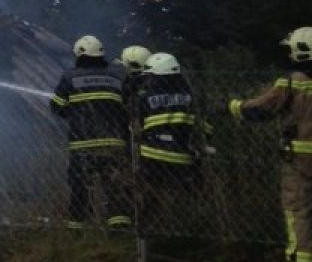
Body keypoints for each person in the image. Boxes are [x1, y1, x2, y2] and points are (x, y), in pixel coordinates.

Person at [228, 27, 312, 262]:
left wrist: (233, 106)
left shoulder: (292, 81)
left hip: (299, 161)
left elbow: (262, 109)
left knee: (298, 212)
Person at [51, 35, 131, 230]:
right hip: (113, 143)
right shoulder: (116, 77)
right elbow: (126, 107)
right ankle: (119, 227)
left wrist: (73, 111)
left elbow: (56, 106)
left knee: (79, 186)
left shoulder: (70, 77)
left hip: (82, 144)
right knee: (115, 187)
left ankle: (78, 227)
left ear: (79, 54)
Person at [135, 51, 201, 233]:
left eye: (150, 76)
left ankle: (148, 232)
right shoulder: (190, 96)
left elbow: (139, 126)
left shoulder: (145, 98)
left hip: (152, 155)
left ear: (158, 76)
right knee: (182, 195)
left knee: (151, 194)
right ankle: (185, 229)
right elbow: (202, 126)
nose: (147, 80)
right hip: (183, 156)